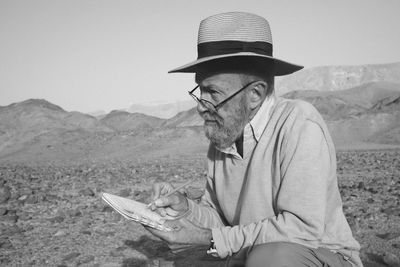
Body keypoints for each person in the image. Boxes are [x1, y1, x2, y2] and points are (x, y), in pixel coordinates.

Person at [145, 12, 363, 267]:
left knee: (270, 259)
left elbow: (300, 230)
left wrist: (210, 241)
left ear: (255, 94)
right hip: (252, 254)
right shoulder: (223, 138)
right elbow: (221, 222)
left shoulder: (299, 124)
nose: (201, 107)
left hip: (318, 254)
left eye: (213, 92)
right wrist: (186, 210)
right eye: (200, 90)